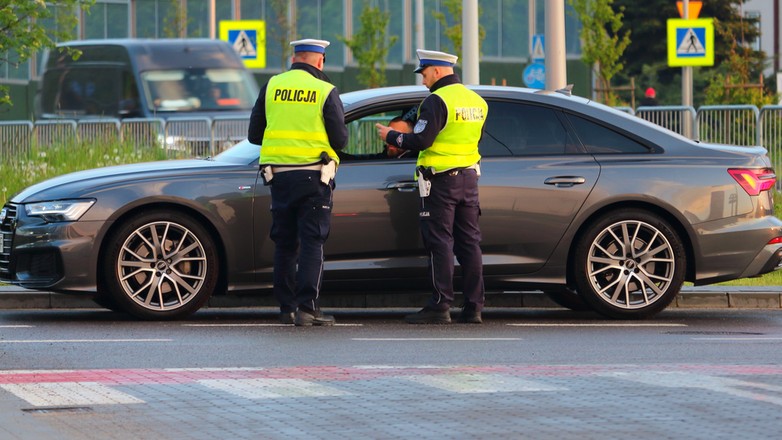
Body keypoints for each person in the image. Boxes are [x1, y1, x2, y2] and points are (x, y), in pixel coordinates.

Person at [376, 49, 488, 324]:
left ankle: (440, 305)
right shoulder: (477, 101)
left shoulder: (437, 101)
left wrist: (391, 135)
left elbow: (422, 140)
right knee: (470, 243)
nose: (423, 80)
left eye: (425, 74)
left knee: (440, 243)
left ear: (437, 71)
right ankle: (474, 307)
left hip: (440, 182)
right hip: (469, 180)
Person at [248, 38, 348, 326]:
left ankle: (286, 308)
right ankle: (307, 309)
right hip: (315, 176)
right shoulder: (325, 90)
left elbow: (255, 135)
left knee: (284, 242)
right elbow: (340, 139)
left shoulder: (271, 87)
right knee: (312, 242)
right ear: (320, 61)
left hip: (278, 177)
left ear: (294, 58)